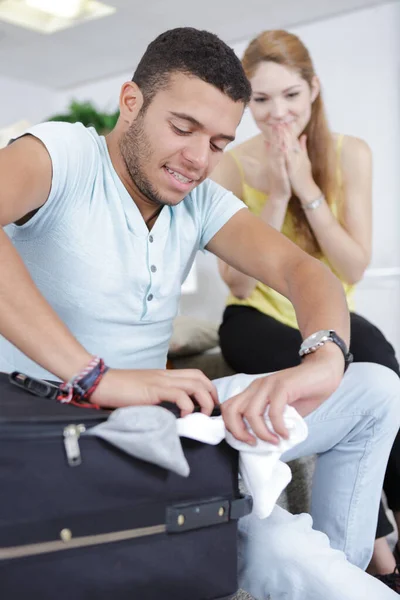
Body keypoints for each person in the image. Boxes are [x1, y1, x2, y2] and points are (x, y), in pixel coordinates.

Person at [0, 27, 399, 599]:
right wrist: (95, 378)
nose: (197, 159)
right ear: (131, 102)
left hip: (174, 426)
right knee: (286, 553)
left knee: (378, 388)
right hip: (64, 435)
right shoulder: (63, 155)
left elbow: (304, 273)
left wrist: (325, 356)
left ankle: (337, 565)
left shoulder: (199, 200)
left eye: (217, 143)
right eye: (183, 129)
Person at [211, 28, 400, 583]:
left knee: (379, 358)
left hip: (327, 315)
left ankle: (390, 523)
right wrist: (275, 194)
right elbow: (239, 284)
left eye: (290, 95)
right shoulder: (233, 165)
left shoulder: (350, 154)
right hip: (256, 315)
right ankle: (381, 544)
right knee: (285, 349)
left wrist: (307, 188)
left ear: (313, 89)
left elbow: (352, 268)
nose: (276, 113)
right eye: (261, 100)